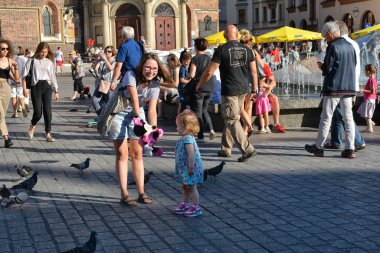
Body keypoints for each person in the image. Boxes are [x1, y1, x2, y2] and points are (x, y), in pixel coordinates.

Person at [108, 53, 172, 206]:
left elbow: (152, 110)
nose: (151, 71)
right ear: (142, 66)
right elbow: (135, 100)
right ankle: (124, 193)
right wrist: (142, 124)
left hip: (139, 114)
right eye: (148, 67)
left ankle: (141, 192)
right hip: (120, 112)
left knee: (137, 154)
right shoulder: (131, 75)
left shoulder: (155, 84)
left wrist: (153, 130)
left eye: (155, 68)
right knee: (122, 153)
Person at [196, 24, 258, 162]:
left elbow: (209, 71)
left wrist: (199, 86)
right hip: (244, 89)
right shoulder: (248, 50)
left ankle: (248, 149)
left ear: (225, 35)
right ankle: (225, 149)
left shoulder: (221, 50)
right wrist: (254, 90)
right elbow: (254, 72)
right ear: (237, 34)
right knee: (231, 117)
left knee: (231, 119)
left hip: (230, 91)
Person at [305, 21, 357, 159]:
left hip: (334, 88)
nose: (325, 39)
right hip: (348, 87)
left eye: (325, 37)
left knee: (326, 118)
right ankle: (350, 149)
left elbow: (328, 68)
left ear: (329, 34)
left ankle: (319, 147)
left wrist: (321, 66)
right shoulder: (350, 46)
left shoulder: (333, 46)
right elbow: (354, 65)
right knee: (348, 118)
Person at [324, 21, 365, 151]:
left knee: (343, 115)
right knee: (339, 114)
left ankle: (358, 141)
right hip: (350, 85)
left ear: (338, 31)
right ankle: (336, 141)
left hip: (340, 86)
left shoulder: (339, 44)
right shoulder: (352, 44)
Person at [23, 42, 59, 142]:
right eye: (42, 52)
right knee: (38, 113)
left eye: (46, 52)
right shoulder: (31, 60)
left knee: (48, 111)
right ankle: (32, 125)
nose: (44, 54)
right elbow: (24, 74)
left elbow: (53, 77)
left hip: (47, 87)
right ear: (38, 51)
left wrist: (56, 90)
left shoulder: (50, 62)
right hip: (36, 86)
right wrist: (24, 88)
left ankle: (48, 134)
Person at [173, 109, 204, 217]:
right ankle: (185, 203)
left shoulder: (188, 139)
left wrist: (191, 167)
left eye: (178, 126)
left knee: (191, 187)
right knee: (185, 186)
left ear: (186, 127)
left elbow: (191, 154)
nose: (176, 128)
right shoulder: (184, 138)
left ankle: (196, 206)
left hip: (190, 168)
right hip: (185, 168)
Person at [188, 37, 215, 142]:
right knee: (204, 110)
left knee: (198, 112)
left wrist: (188, 74)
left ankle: (200, 136)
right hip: (210, 87)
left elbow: (192, 75)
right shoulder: (209, 58)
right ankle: (211, 129)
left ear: (195, 46)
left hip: (199, 87)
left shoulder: (195, 58)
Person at [254, 48, 285, 133]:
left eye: (256, 56)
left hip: (262, 92)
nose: (254, 58)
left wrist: (268, 87)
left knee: (274, 98)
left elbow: (273, 82)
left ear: (260, 57)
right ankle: (247, 126)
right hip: (251, 92)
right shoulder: (248, 66)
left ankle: (276, 124)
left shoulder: (265, 66)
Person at [110, 26, 143, 94]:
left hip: (129, 77)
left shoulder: (123, 46)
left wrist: (113, 81)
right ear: (133, 35)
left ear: (123, 36)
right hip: (140, 76)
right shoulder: (140, 45)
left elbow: (119, 65)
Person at [0, 38, 20, 148]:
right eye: (3, 49)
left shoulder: (10, 61)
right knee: (1, 114)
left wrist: (16, 69)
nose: (5, 50)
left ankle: (6, 138)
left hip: (6, 88)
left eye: (7, 49)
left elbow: (17, 79)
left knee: (1, 114)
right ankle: (7, 138)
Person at [91, 45, 116, 115]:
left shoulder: (115, 62)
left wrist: (105, 59)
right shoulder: (103, 62)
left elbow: (111, 68)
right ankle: (101, 116)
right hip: (102, 83)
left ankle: (107, 117)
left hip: (110, 84)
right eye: (106, 51)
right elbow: (95, 68)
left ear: (113, 53)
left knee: (109, 103)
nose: (107, 53)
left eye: (109, 52)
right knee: (94, 100)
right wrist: (98, 60)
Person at [157, 53, 180, 120]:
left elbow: (175, 84)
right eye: (167, 60)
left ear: (173, 61)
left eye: (169, 61)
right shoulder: (171, 68)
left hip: (177, 90)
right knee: (159, 92)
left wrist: (162, 84)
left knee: (157, 88)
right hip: (172, 89)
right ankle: (159, 115)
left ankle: (159, 114)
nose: (168, 62)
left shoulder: (176, 68)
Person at [9, 45, 27, 118]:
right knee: (20, 95)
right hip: (20, 81)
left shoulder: (9, 59)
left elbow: (8, 71)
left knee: (13, 97)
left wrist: (14, 78)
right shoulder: (22, 60)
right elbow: (24, 71)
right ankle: (23, 107)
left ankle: (15, 112)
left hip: (11, 80)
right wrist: (19, 78)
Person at [357, 64, 377, 133]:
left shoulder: (371, 80)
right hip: (370, 99)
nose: (364, 73)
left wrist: (362, 90)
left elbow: (372, 91)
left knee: (367, 115)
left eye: (365, 71)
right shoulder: (373, 79)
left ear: (368, 72)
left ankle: (370, 128)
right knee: (363, 112)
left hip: (369, 100)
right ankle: (371, 123)